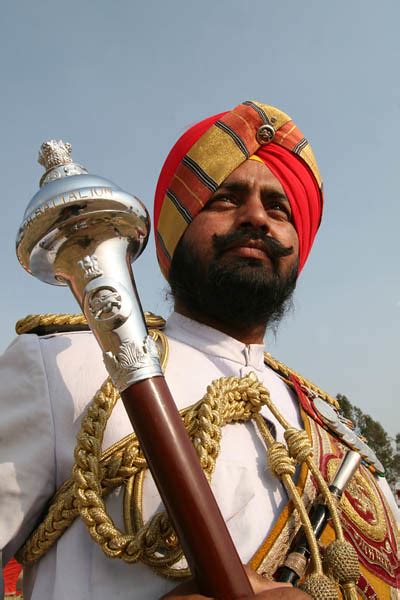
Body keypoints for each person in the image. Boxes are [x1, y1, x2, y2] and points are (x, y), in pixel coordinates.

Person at [0, 100, 399, 600]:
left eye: (279, 208)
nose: (256, 216)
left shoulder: (330, 429)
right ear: (175, 232)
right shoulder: (59, 368)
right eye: (226, 199)